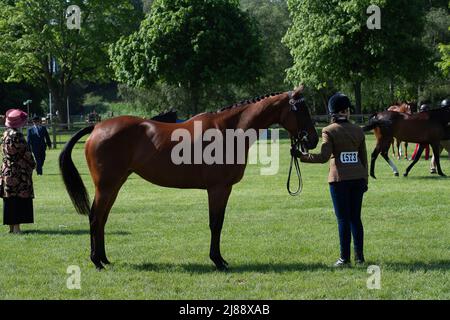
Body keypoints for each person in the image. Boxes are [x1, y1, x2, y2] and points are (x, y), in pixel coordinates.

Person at [291, 93, 368, 267]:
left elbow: (324, 157)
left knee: (343, 219)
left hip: (339, 179)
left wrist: (302, 156)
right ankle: (360, 258)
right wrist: (365, 179)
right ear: (347, 110)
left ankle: (344, 258)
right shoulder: (358, 130)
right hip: (358, 178)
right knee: (356, 218)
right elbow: (363, 157)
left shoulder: (329, 130)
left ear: (332, 112)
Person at [1, 109, 36, 234]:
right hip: (18, 172)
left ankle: (11, 227)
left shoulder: (5, 134)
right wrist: (33, 164)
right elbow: (26, 154)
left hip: (6, 171)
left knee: (9, 199)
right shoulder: (17, 136)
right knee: (18, 200)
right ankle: (17, 228)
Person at [430, 99, 450, 174]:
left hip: (437, 138)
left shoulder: (438, 115)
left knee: (436, 154)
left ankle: (432, 168)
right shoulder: (447, 115)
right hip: (445, 138)